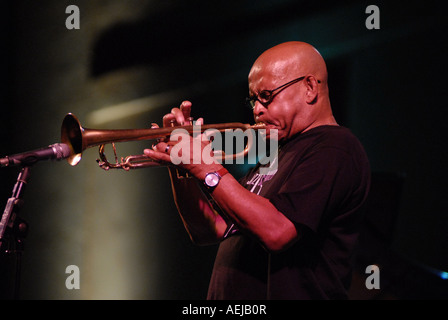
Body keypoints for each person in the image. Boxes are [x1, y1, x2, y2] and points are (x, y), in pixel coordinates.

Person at [144, 41, 370, 300]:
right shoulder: (278, 154)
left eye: (266, 96)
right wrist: (181, 166)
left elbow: (277, 232)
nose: (257, 110)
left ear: (309, 87)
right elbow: (210, 229)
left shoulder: (335, 147)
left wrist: (204, 165)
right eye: (254, 100)